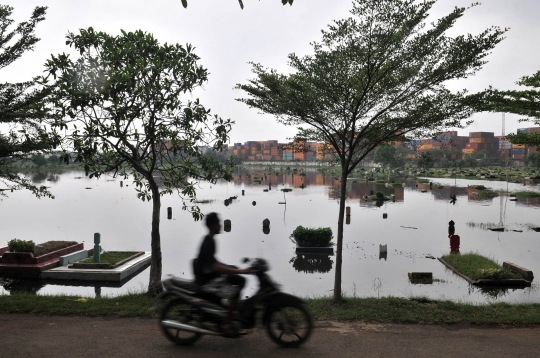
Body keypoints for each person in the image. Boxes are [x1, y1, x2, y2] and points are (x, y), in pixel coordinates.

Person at [196, 212, 251, 335]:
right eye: (218, 224)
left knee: (240, 280)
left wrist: (229, 266)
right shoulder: (208, 242)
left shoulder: (210, 240)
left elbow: (213, 261)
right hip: (209, 280)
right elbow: (215, 266)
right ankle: (226, 322)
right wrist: (240, 270)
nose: (220, 226)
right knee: (235, 294)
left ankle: (228, 309)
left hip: (212, 275)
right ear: (213, 226)